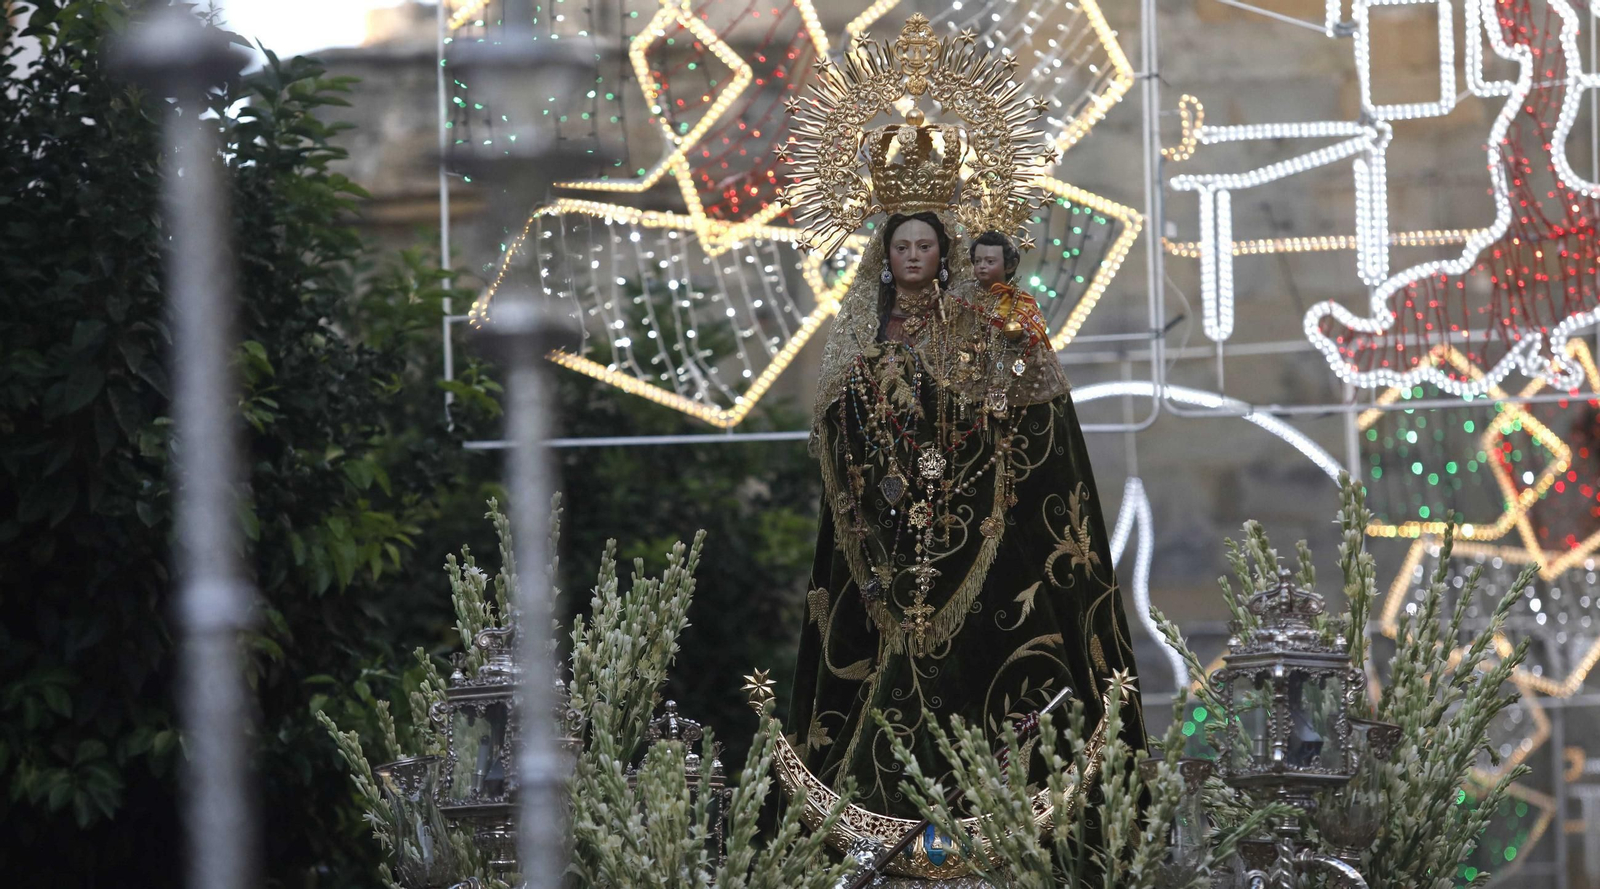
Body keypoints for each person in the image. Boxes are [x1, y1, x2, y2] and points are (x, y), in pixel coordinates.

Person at [785, 206, 1148, 819]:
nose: (912, 257)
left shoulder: (975, 325)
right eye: (901, 246)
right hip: (886, 526)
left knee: (985, 656)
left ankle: (982, 799)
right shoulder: (863, 335)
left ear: (943, 254)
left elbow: (1016, 411)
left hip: (970, 517)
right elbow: (841, 424)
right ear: (884, 257)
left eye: (925, 245)